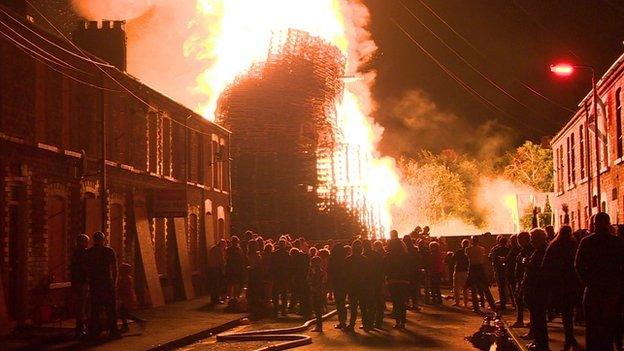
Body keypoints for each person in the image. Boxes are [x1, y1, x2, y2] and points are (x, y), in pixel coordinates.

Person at [575, 212, 624, 351]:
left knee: (592, 325)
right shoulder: (617, 242)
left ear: (595, 224)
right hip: (611, 289)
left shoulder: (587, 242)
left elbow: (578, 265)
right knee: (608, 324)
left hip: (593, 289)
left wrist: (587, 281)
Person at [542, 225, 580, 351]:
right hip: (572, 283)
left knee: (565, 312)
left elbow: (546, 266)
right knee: (570, 311)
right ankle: (570, 337)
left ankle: (569, 337)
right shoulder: (574, 245)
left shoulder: (553, 247)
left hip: (559, 284)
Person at [86, 231, 120, 339]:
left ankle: (95, 331)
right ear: (103, 239)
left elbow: (86, 269)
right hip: (106, 282)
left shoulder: (89, 252)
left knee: (95, 308)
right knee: (110, 308)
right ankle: (113, 331)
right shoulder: (109, 251)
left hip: (95, 283)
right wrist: (114, 282)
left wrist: (88, 282)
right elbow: (115, 268)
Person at [522, 228, 549, 351]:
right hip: (536, 289)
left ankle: (541, 344)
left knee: (539, 318)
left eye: (532, 239)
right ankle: (538, 342)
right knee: (538, 318)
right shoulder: (540, 250)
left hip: (537, 290)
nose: (531, 241)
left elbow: (538, 271)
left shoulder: (542, 251)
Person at [344, 240, 371, 332]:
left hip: (352, 286)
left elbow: (345, 274)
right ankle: (366, 324)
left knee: (353, 307)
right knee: (363, 306)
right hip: (363, 286)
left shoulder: (348, 260)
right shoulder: (365, 260)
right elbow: (368, 274)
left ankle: (352, 324)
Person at [384, 237, 410, 329]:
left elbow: (386, 268)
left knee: (395, 302)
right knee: (402, 302)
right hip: (404, 281)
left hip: (393, 281)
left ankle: (398, 321)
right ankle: (403, 321)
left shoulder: (388, 255)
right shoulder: (405, 255)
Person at [465, 235, 496, 313]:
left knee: (473, 289)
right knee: (485, 287)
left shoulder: (468, 249)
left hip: (472, 267)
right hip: (480, 267)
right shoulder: (482, 249)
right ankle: (492, 305)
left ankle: (476, 307)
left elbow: (468, 257)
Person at [70, 234, 90, 339]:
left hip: (76, 282)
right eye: (86, 241)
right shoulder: (85, 253)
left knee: (80, 306)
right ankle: (80, 329)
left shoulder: (75, 253)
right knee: (82, 306)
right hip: (83, 282)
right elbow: (86, 268)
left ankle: (80, 328)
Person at [117, 263, 146, 333]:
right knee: (123, 313)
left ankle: (138, 321)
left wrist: (119, 290)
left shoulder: (126, 279)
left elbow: (125, 289)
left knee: (123, 313)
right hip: (127, 298)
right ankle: (128, 325)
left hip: (126, 299)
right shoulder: (127, 278)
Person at [513, 231, 532, 328]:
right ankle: (521, 320)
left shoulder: (529, 250)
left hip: (525, 280)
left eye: (520, 239)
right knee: (519, 300)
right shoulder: (523, 250)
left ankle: (523, 321)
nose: (518, 241)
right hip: (521, 279)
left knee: (523, 300)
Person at [328, 243, 348, 329]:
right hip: (344, 282)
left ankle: (342, 322)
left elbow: (330, 272)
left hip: (336, 283)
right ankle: (344, 321)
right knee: (342, 302)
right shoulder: (345, 259)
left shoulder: (333, 259)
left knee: (339, 303)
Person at [489, 235, 510, 310]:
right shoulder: (509, 250)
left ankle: (503, 303)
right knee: (508, 287)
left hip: (499, 270)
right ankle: (513, 302)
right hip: (507, 270)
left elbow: (492, 259)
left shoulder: (496, 250)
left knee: (501, 287)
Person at [271, 239, 291, 317]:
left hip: (277, 275)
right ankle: (283, 310)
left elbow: (271, 265)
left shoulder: (274, 254)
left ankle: (276, 310)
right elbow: (290, 266)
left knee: (276, 293)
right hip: (284, 276)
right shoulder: (287, 254)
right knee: (283, 294)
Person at [225, 236, 245, 306]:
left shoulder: (228, 249)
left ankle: (230, 297)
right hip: (237, 268)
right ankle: (235, 296)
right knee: (236, 283)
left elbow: (226, 258)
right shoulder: (239, 249)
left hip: (230, 268)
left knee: (230, 283)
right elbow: (242, 259)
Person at [308, 256, 327, 332]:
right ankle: (319, 326)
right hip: (319, 291)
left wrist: (313, 287)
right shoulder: (320, 270)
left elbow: (313, 280)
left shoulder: (316, 271)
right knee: (317, 308)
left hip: (316, 291)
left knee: (317, 309)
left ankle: (319, 326)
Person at [207, 239, 226, 304]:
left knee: (213, 284)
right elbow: (221, 261)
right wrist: (224, 267)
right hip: (216, 268)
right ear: (222, 244)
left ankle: (213, 298)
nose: (225, 247)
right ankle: (217, 299)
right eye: (224, 245)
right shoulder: (219, 250)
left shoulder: (213, 248)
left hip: (210, 268)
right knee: (217, 284)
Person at [452, 239, 470, 308]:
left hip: (458, 270)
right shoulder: (469, 252)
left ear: (461, 244)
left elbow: (453, 259)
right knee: (465, 288)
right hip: (465, 271)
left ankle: (457, 302)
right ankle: (465, 303)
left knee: (456, 287)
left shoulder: (458, 252)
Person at [506, 234, 520, 308]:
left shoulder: (515, 250)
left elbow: (512, 261)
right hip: (512, 272)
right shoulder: (515, 249)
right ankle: (515, 304)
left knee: (514, 290)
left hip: (512, 272)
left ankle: (516, 304)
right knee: (513, 289)